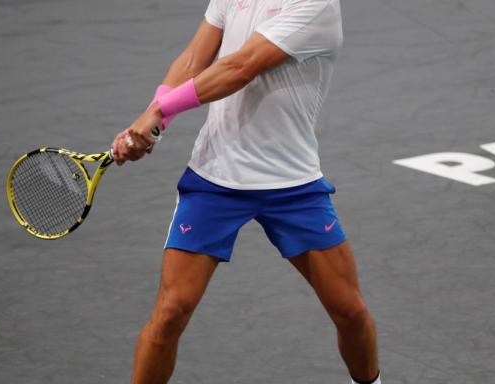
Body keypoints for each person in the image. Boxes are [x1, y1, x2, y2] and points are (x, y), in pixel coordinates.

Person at [110, 1, 380, 383]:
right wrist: (157, 119)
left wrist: (155, 113)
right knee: (171, 311)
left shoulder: (316, 5)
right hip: (215, 178)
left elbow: (240, 67)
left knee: (350, 313)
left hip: (293, 185)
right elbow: (193, 59)